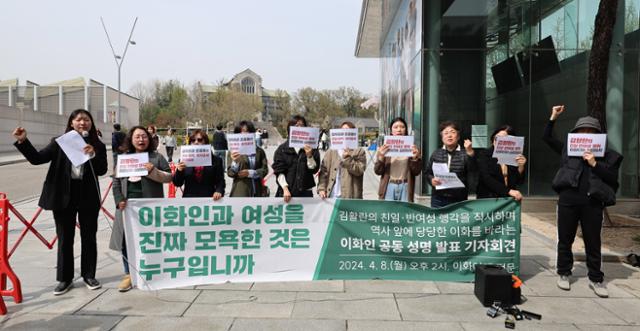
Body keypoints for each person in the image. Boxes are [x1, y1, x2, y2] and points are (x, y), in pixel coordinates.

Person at [13, 109, 107, 295]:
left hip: (88, 195)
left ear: (91, 124)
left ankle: (89, 275)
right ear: (71, 123)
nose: (82, 123)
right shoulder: (60, 142)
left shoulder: (97, 145)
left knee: (89, 237)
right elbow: (37, 159)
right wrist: (23, 141)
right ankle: (65, 278)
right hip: (64, 195)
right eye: (78, 120)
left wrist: (93, 155)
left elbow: (102, 170)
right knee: (65, 238)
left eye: (86, 120)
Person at [544, 105, 623, 298]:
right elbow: (547, 138)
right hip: (568, 200)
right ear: (576, 133)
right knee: (565, 239)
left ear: (598, 135)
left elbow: (613, 179)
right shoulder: (568, 151)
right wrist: (553, 117)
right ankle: (563, 273)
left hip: (593, 202)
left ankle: (596, 278)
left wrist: (595, 163)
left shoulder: (608, 155)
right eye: (582, 131)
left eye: (591, 131)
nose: (586, 134)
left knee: (593, 241)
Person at [110, 126, 172, 292]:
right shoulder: (123, 158)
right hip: (127, 206)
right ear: (131, 139)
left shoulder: (157, 157)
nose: (141, 140)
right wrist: (119, 199)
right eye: (137, 137)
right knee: (126, 240)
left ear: (149, 139)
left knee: (151, 239)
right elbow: (116, 182)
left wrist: (153, 171)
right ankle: (128, 274)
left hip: (149, 206)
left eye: (144, 136)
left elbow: (168, 177)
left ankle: (153, 269)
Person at [425, 121, 476, 208]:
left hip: (459, 199)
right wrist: (431, 180)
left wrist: (470, 153)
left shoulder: (465, 153)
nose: (449, 135)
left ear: (458, 136)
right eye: (446, 133)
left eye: (453, 132)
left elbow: (473, 171)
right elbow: (428, 173)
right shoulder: (436, 153)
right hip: (438, 198)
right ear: (442, 138)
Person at [272, 115, 321, 202]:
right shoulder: (282, 149)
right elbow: (279, 171)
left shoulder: (312, 148)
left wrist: (309, 156)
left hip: (305, 193)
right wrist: (285, 188)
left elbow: (314, 170)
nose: (299, 128)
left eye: (302, 125)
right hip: (286, 193)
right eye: (296, 125)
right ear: (290, 128)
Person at [374, 117, 422, 202]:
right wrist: (381, 157)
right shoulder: (384, 148)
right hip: (389, 186)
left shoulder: (412, 148)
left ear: (406, 130)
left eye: (402, 127)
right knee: (388, 213)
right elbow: (378, 171)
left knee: (404, 213)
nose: (399, 130)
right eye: (395, 127)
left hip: (405, 186)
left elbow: (416, 172)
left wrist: (415, 159)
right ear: (391, 131)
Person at [476, 125, 527, 201]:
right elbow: (486, 178)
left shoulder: (514, 156)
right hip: (488, 199)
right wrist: (508, 191)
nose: (498, 140)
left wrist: (521, 166)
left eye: (503, 138)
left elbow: (518, 181)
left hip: (508, 200)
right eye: (497, 137)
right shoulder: (484, 154)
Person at [318, 121, 367, 199]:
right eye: (342, 131)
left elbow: (359, 170)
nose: (345, 133)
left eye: (348, 131)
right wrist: (321, 188)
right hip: (332, 194)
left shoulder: (359, 151)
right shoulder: (331, 151)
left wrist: (347, 158)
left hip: (350, 196)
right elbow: (324, 171)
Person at [173, 129, 225, 199]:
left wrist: (219, 191)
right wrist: (179, 171)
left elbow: (220, 181)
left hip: (210, 199)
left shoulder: (216, 160)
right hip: (189, 200)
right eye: (193, 140)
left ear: (206, 142)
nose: (196, 142)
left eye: (200, 140)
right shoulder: (183, 160)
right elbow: (177, 183)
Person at [227, 121, 269, 197]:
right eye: (241, 132)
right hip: (240, 192)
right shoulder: (233, 151)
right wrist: (235, 162)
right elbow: (230, 173)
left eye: (247, 131)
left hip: (257, 191)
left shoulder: (259, 151)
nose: (244, 134)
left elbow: (265, 170)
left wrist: (251, 173)